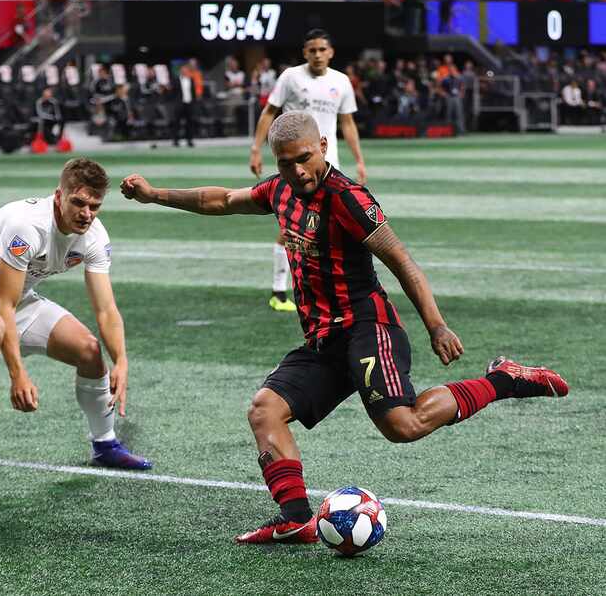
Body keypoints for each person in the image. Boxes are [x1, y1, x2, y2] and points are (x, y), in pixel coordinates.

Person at [121, 110, 568, 545]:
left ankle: (503, 380)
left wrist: (437, 325)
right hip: (323, 339)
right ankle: (296, 520)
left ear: (322, 146)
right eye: (285, 163)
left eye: (303, 158)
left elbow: (402, 262)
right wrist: (154, 194)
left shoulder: (348, 198)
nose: (296, 171)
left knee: (403, 425)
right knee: (265, 409)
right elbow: (218, 200)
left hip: (366, 327)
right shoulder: (279, 191)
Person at [0, 157, 152, 481]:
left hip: (17, 298)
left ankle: (105, 444)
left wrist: (121, 360)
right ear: (58, 195)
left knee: (90, 351)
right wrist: (18, 374)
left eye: (95, 206)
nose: (86, 214)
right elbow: (2, 305)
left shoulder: (94, 236)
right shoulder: (28, 225)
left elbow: (106, 309)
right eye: (78, 202)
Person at [250, 29, 367, 313]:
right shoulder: (291, 77)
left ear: (331, 52)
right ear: (305, 53)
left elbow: (347, 123)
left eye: (321, 50)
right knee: (293, 226)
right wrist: (256, 148)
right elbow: (269, 112)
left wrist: (359, 160)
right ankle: (279, 290)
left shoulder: (341, 82)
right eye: (311, 50)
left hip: (330, 166)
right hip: (297, 168)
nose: (317, 55)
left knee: (328, 227)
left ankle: (324, 286)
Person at [171, 63, 197, 147]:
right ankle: (176, 141)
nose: (184, 71)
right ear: (180, 71)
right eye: (183, 70)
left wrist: (193, 103)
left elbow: (193, 93)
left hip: (189, 104)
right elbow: (173, 93)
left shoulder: (191, 80)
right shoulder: (176, 80)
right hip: (179, 105)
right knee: (177, 123)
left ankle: (189, 141)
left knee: (189, 123)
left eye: (186, 70)